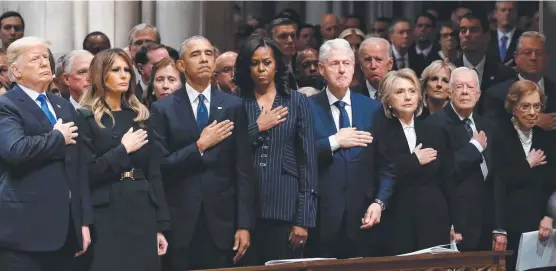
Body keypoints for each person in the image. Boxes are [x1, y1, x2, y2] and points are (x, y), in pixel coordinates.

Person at [150, 36, 254, 270]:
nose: (204, 59)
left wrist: (244, 225)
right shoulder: (162, 109)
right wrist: (199, 146)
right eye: (195, 55)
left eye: (208, 53)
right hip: (180, 222)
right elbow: (160, 167)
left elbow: (243, 170)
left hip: (222, 222)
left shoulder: (233, 105)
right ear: (181, 65)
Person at [0, 36, 92, 270]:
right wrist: (57, 138)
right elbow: (14, 150)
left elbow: (77, 166)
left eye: (45, 57)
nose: (44, 63)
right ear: (16, 72)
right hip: (24, 232)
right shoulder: (7, 105)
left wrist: (83, 221)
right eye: (35, 59)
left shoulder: (61, 104)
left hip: (66, 229)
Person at [75, 48, 169, 271]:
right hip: (107, 212)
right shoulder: (85, 117)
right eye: (116, 70)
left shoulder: (141, 115)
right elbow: (85, 174)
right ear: (100, 75)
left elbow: (154, 173)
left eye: (127, 70)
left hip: (142, 207)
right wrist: (123, 150)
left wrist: (160, 226)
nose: (124, 75)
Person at [306, 38, 394, 259]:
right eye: (335, 64)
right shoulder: (306, 107)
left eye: (347, 63)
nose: (342, 69)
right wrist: (334, 141)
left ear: (354, 68)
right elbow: (299, 157)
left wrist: (379, 202)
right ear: (321, 69)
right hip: (321, 218)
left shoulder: (372, 109)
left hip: (364, 217)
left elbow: (386, 165)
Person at [235, 36, 317, 265]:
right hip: (244, 210)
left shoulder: (296, 102)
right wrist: (258, 127)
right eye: (254, 63)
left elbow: (308, 163)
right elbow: (231, 150)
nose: (261, 69)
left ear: (277, 64)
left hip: (286, 208)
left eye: (267, 62)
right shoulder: (237, 103)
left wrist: (303, 219)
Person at [427, 67, 504, 252]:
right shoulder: (434, 125)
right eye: (459, 86)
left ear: (478, 94)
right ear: (449, 92)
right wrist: (474, 148)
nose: (464, 91)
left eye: (470, 87)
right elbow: (442, 173)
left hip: (487, 223)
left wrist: (500, 227)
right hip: (457, 225)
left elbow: (497, 178)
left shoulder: (488, 124)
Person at [376, 69, 452, 255]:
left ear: (419, 97)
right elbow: (383, 173)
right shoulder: (381, 132)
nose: (407, 96)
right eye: (400, 92)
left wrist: (453, 222)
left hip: (434, 216)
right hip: (398, 219)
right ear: (388, 100)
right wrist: (413, 161)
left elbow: (447, 178)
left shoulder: (433, 130)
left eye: (412, 91)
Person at [492, 80, 554, 270]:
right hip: (510, 226)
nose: (532, 112)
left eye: (537, 106)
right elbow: (499, 182)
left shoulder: (546, 138)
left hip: (542, 228)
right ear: (513, 107)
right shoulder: (500, 135)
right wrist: (499, 228)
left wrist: (549, 216)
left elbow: (551, 183)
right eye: (525, 106)